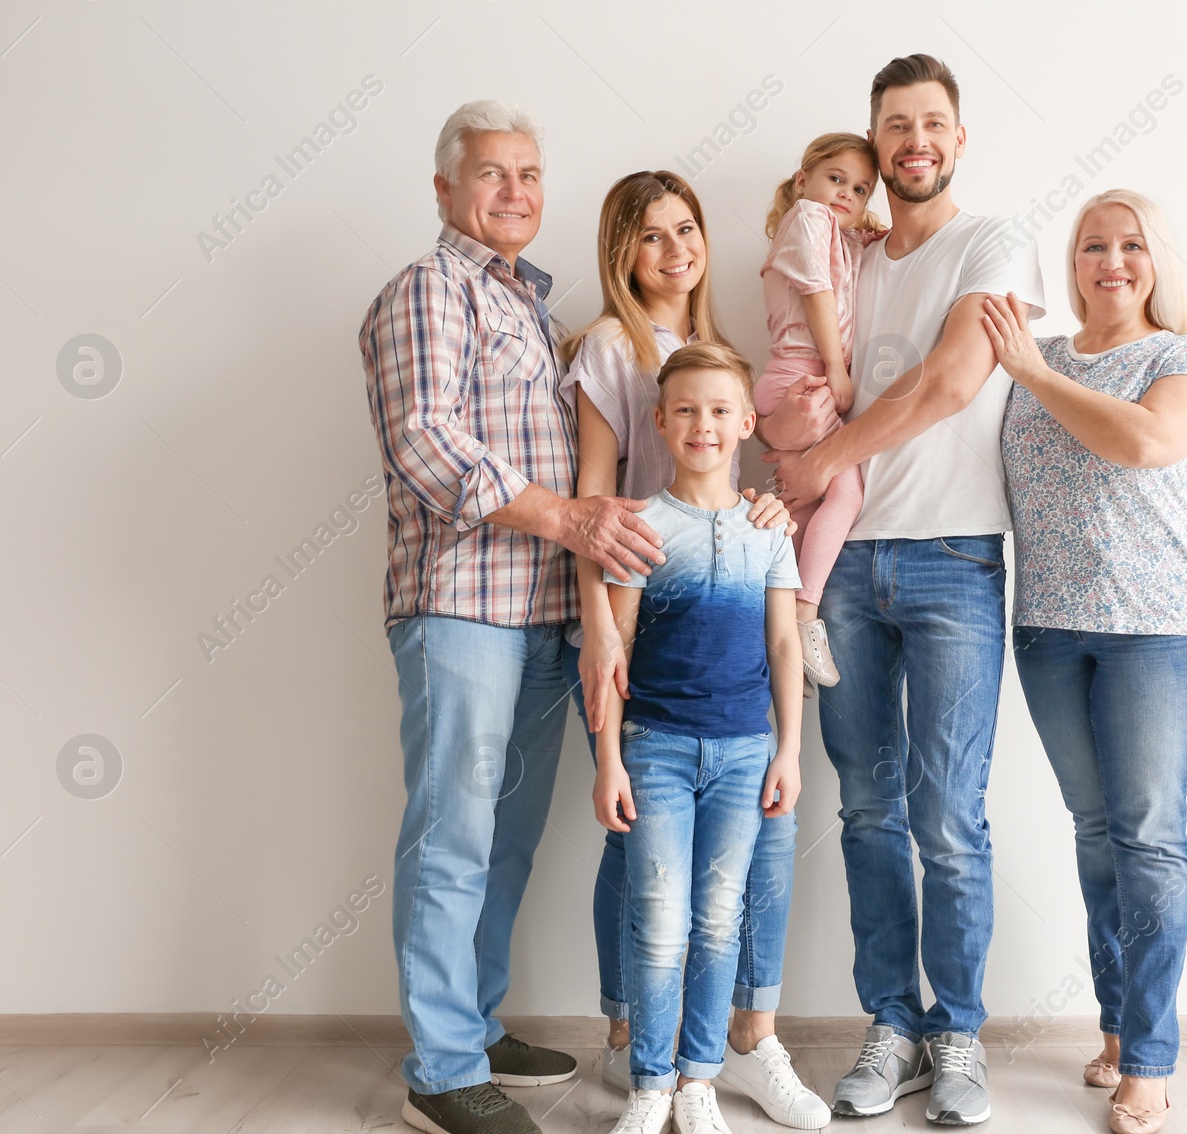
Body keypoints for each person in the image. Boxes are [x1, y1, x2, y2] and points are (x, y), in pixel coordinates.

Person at [358, 100, 670, 1134]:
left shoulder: (535, 311)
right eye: (491, 174)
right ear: (445, 189)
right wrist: (574, 518)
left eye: (529, 175)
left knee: (504, 845)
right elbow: (426, 442)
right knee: (453, 838)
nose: (514, 193)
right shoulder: (427, 291)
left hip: (542, 618)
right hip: (461, 611)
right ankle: (442, 1073)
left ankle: (475, 1025)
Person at [760, 54, 1046, 1127]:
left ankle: (956, 1033)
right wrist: (799, 461)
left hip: (952, 558)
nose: (913, 140)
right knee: (868, 810)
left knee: (948, 817)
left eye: (932, 122)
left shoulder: (991, 241)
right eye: (894, 125)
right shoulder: (849, 250)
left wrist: (822, 454)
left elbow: (949, 381)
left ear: (957, 140)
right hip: (840, 567)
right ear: (874, 146)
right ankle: (893, 1024)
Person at [560, 171, 829, 1129]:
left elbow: (783, 631)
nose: (673, 249)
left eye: (686, 229)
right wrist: (598, 628)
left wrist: (760, 509)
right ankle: (644, 1053)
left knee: (732, 885)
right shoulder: (609, 346)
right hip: (644, 614)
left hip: (740, 689)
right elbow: (597, 505)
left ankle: (717, 1058)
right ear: (619, 254)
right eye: (648, 236)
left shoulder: (714, 361)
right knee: (646, 878)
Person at [984, 189, 1187, 1134]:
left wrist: (1031, 375)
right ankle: (1122, 1027)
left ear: (1156, 261)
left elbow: (1149, 440)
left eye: (1130, 245)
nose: (1110, 261)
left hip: (1158, 631)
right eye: (1092, 246)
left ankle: (1153, 1059)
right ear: (1071, 262)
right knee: (1097, 832)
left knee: (1150, 837)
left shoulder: (1181, 359)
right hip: (1048, 626)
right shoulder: (1028, 356)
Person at [591, 342, 805, 1134]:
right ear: (659, 422)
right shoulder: (640, 525)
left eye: (720, 410)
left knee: (719, 917)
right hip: (656, 750)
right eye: (684, 410)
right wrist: (609, 759)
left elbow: (786, 648)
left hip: (747, 751)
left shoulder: (769, 533)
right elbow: (613, 653)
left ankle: (698, 1082)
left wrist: (787, 750)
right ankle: (650, 1084)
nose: (702, 425)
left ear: (748, 423)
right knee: (660, 916)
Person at [754, 133, 887, 691]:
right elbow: (817, 293)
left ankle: (780, 624)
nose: (846, 193)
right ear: (803, 177)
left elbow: (842, 270)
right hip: (804, 376)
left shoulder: (832, 230)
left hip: (792, 378)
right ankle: (805, 615)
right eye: (836, 178)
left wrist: (867, 234)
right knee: (846, 492)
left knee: (803, 507)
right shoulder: (808, 217)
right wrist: (837, 371)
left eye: (860, 189)